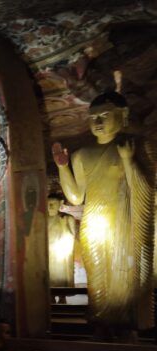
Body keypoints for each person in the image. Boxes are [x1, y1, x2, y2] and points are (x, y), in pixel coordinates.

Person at [52, 91, 155, 337]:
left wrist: (128, 160)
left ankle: (128, 326)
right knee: (97, 276)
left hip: (126, 223)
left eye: (105, 115)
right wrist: (63, 167)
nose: (98, 122)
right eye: (93, 117)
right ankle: (99, 322)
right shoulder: (81, 154)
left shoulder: (139, 145)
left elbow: (148, 191)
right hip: (94, 224)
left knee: (127, 275)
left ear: (123, 115)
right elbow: (76, 197)